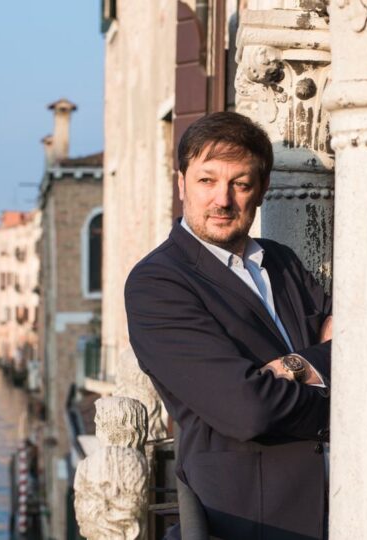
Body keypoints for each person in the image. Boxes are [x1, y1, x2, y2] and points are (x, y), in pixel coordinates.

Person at [125, 112, 332, 540]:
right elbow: (248, 409)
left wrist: (292, 367)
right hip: (251, 522)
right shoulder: (157, 283)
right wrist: (340, 394)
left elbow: (360, 341)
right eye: (207, 181)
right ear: (182, 183)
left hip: (346, 505)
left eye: (240, 183)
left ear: (262, 189)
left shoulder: (283, 262)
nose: (222, 200)